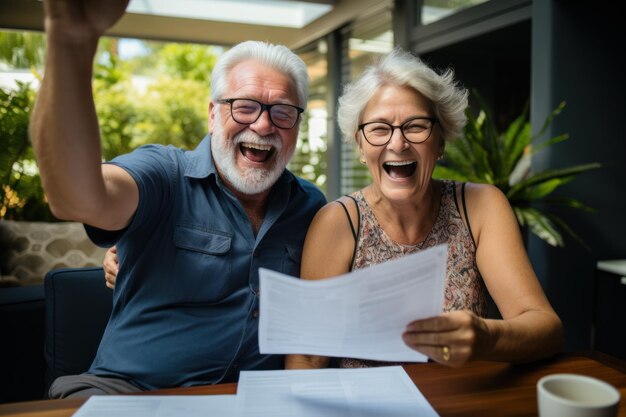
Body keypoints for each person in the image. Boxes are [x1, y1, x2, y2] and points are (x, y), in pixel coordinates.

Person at [31, 0, 326, 397]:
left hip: (250, 400)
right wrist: (70, 39)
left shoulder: (311, 207)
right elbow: (75, 198)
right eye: (245, 106)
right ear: (212, 114)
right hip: (129, 392)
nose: (263, 124)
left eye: (283, 112)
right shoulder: (163, 175)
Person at [285, 47, 563, 370]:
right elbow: (305, 360)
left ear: (441, 140)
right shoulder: (337, 223)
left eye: (416, 126)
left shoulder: (482, 207)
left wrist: (486, 336)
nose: (398, 143)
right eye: (378, 128)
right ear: (360, 146)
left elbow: (547, 329)